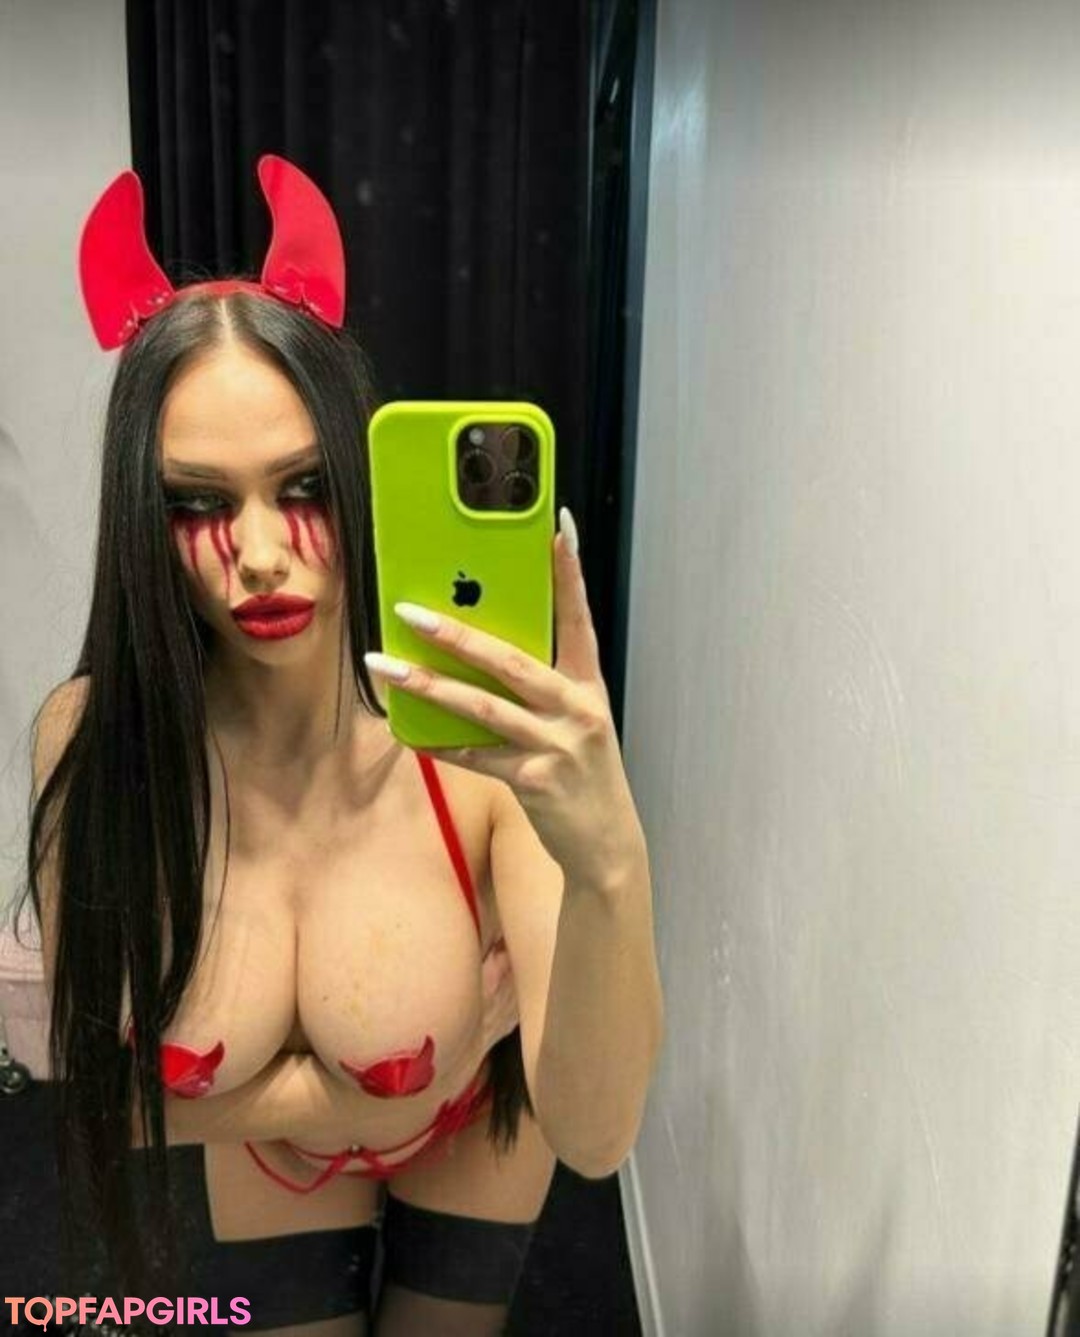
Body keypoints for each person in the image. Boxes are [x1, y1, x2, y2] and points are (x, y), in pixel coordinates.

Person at [22, 156, 663, 1337]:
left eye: (305, 485)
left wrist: (610, 861)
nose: (261, 554)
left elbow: (597, 1132)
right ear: (141, 516)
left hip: (474, 1131)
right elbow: (105, 1098)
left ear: (362, 477)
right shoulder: (98, 740)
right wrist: (354, 1102)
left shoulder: (474, 741)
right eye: (198, 502)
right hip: (280, 1155)